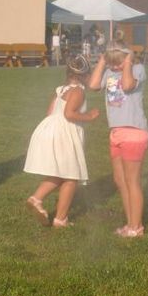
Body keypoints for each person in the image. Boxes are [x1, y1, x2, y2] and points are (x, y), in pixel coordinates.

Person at [24, 55, 100, 227]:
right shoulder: (78, 91)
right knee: (71, 176)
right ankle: (60, 219)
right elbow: (69, 114)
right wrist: (89, 116)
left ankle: (37, 199)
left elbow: (50, 112)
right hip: (65, 134)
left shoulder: (61, 90)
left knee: (61, 173)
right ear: (85, 75)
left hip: (51, 129)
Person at [89, 40, 148, 238]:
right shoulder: (109, 72)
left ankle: (136, 227)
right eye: (111, 62)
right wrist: (102, 62)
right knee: (120, 180)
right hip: (115, 133)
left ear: (128, 58)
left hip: (133, 132)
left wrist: (129, 62)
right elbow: (93, 85)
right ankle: (130, 222)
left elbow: (128, 85)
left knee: (132, 181)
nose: (115, 66)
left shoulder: (137, 69)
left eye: (118, 62)